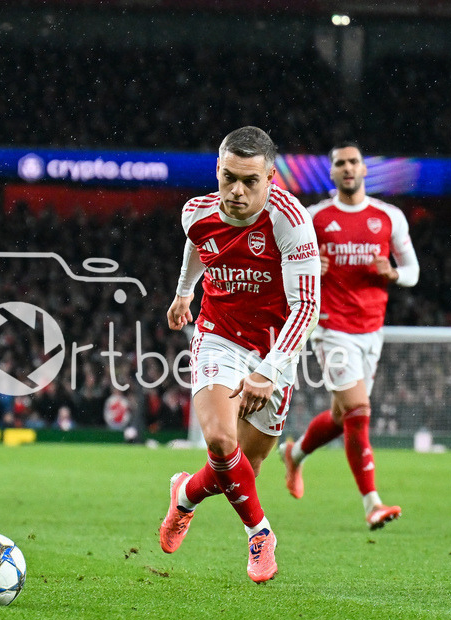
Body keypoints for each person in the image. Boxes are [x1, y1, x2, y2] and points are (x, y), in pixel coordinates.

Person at [159, 126, 320, 583]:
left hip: (276, 348)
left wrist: (269, 371)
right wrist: (184, 293)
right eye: (228, 177)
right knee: (220, 443)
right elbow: (197, 243)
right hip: (219, 336)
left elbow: (307, 306)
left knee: (242, 467)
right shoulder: (196, 211)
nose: (237, 191)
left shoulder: (289, 219)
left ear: (271, 177)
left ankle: (184, 496)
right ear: (217, 170)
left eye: (250, 181)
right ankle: (260, 532)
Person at [281, 142, 420, 530]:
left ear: (363, 170)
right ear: (331, 173)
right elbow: (284, 270)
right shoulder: (313, 218)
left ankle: (295, 454)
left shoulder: (388, 217)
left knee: (343, 415)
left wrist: (392, 273)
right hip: (329, 328)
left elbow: (413, 271)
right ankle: (372, 502)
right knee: (359, 412)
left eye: (353, 162)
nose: (347, 168)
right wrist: (309, 265)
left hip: (371, 329)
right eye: (340, 163)